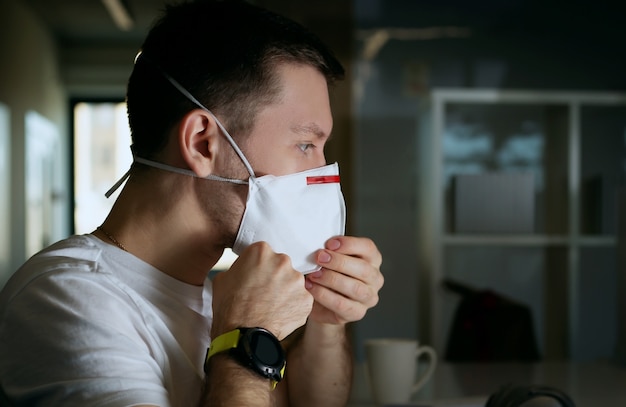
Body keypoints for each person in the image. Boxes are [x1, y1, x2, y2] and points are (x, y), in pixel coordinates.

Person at [0, 1, 384, 406]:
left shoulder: (212, 295)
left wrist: (327, 318)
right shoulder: (67, 300)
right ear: (203, 143)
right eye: (306, 145)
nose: (321, 173)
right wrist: (246, 338)